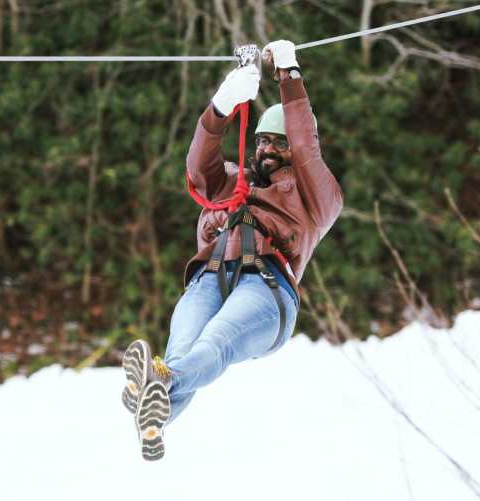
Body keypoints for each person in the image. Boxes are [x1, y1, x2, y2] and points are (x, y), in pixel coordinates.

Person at [121, 40, 343, 461]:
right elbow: (198, 169)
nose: (266, 149)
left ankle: (160, 390)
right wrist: (221, 106)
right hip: (211, 278)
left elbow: (307, 145)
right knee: (179, 352)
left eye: (279, 143)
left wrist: (289, 75)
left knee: (216, 342)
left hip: (266, 289)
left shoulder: (316, 196)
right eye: (261, 141)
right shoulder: (231, 185)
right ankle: (155, 416)